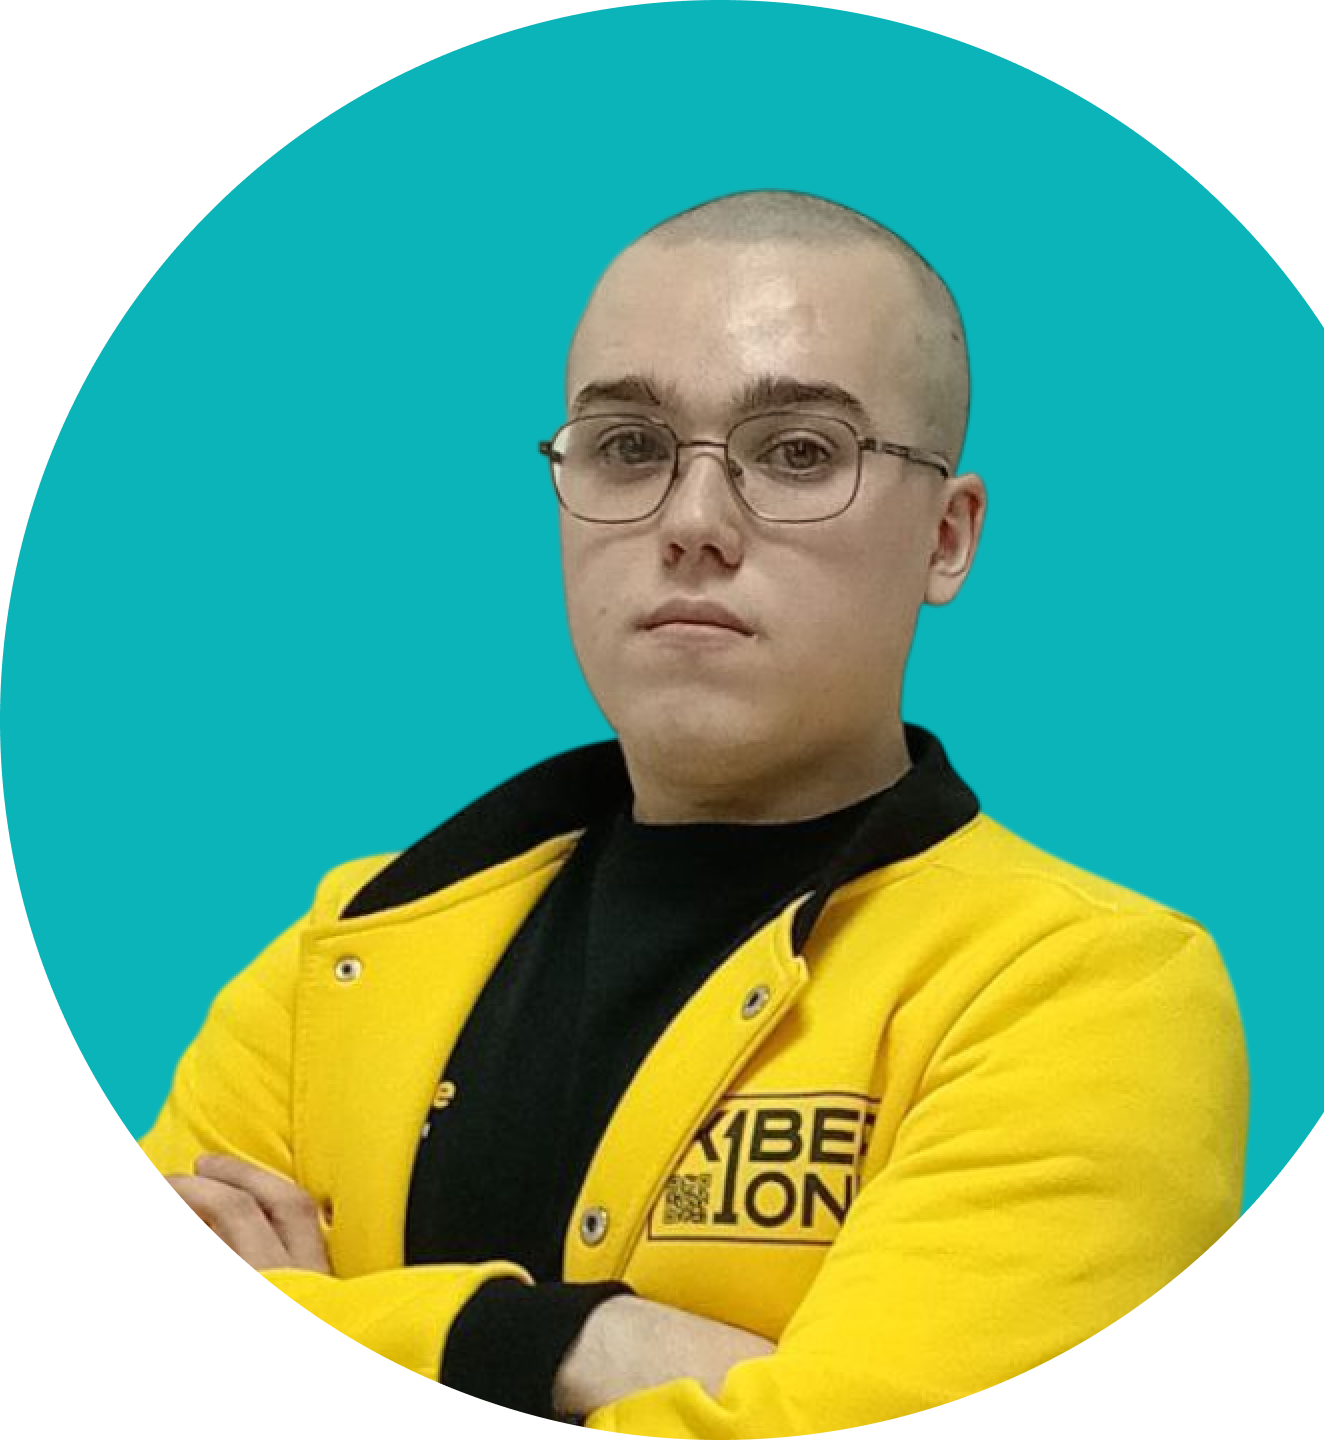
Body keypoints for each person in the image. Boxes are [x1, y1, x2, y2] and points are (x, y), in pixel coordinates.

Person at [141, 189, 1249, 1431]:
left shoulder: (1089, 993)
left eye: (799, 453)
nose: (693, 524)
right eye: (628, 445)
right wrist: (585, 1346)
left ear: (948, 538)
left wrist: (391, 1320)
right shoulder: (346, 953)